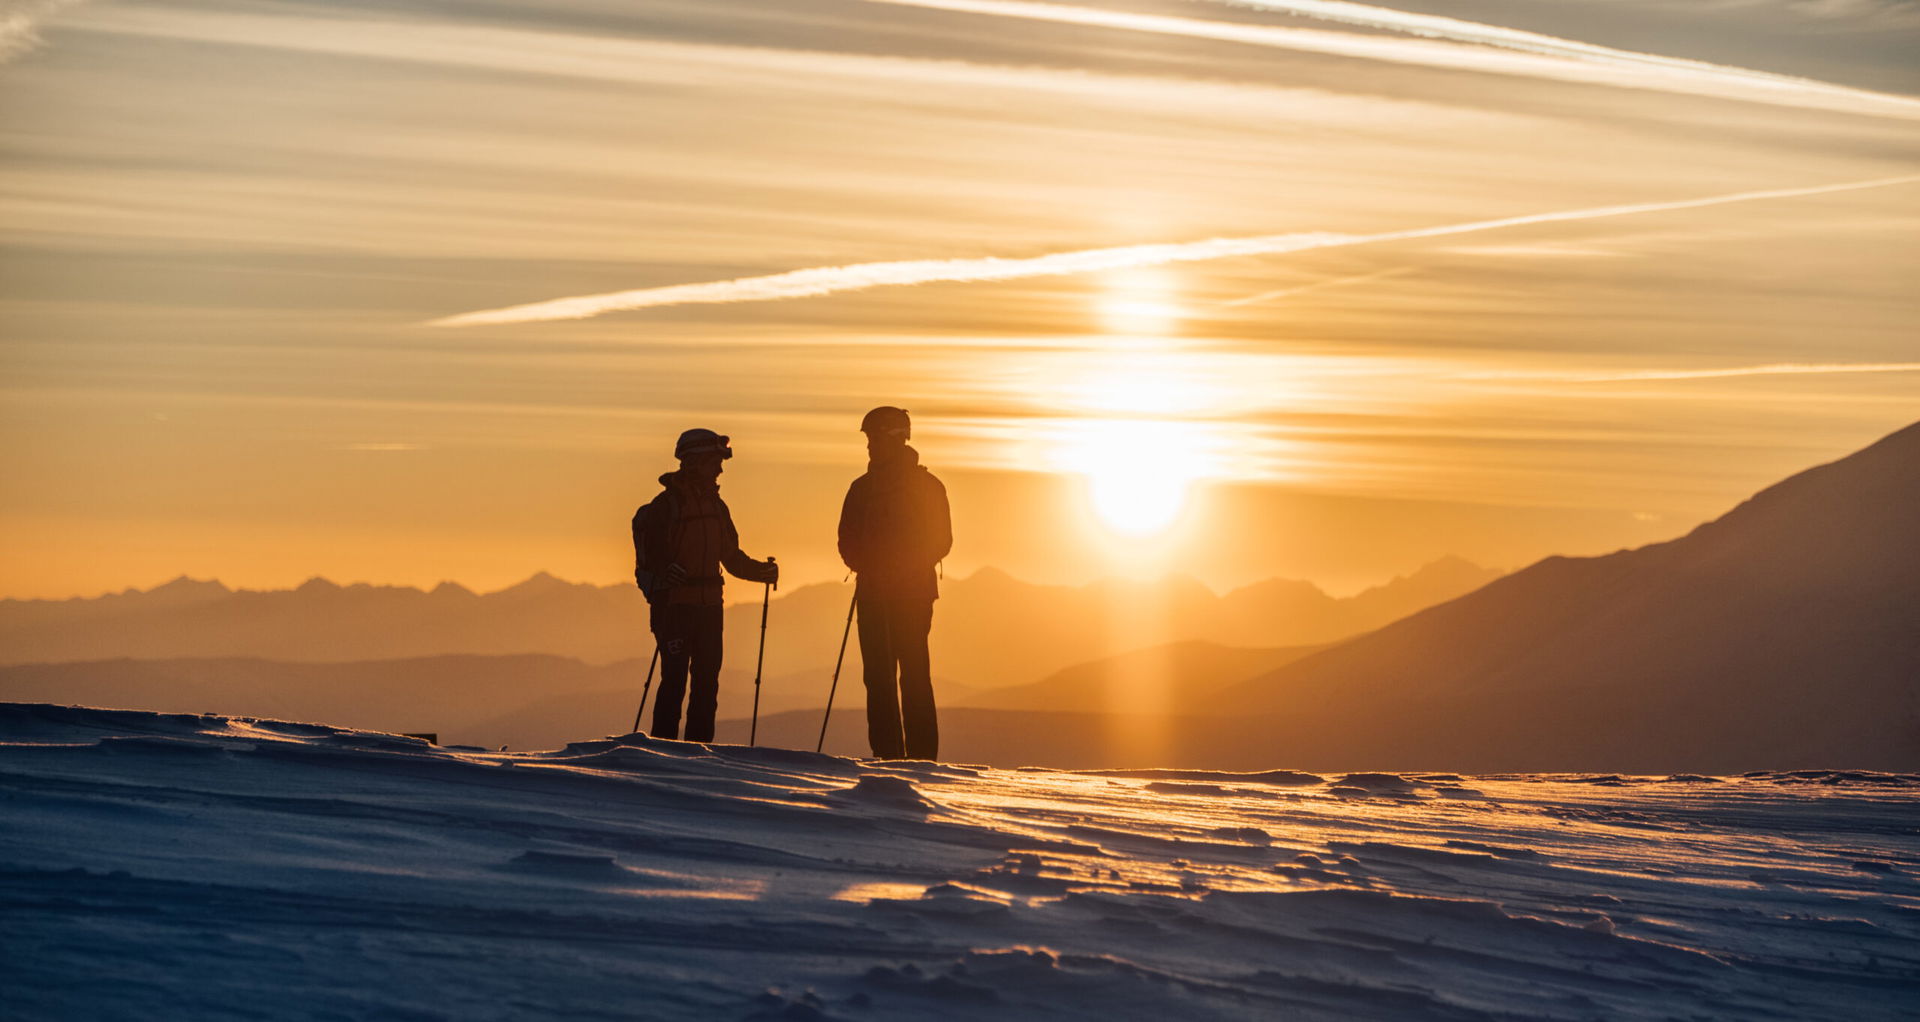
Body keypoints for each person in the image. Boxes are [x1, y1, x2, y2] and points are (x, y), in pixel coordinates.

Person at [632, 428, 778, 742]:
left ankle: (692, 753)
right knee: (675, 682)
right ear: (696, 461)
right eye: (716, 461)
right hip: (676, 608)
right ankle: (666, 750)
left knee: (705, 683)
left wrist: (761, 572)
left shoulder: (715, 507)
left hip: (707, 607)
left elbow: (731, 557)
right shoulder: (666, 507)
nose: (720, 468)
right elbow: (655, 559)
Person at [837, 406, 952, 760]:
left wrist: (876, 568)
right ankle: (903, 758)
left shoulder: (866, 488)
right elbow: (941, 541)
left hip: (894, 594)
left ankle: (903, 758)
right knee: (899, 676)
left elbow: (941, 540)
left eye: (873, 438)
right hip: (904, 594)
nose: (869, 445)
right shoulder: (924, 486)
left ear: (893, 438)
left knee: (895, 677)